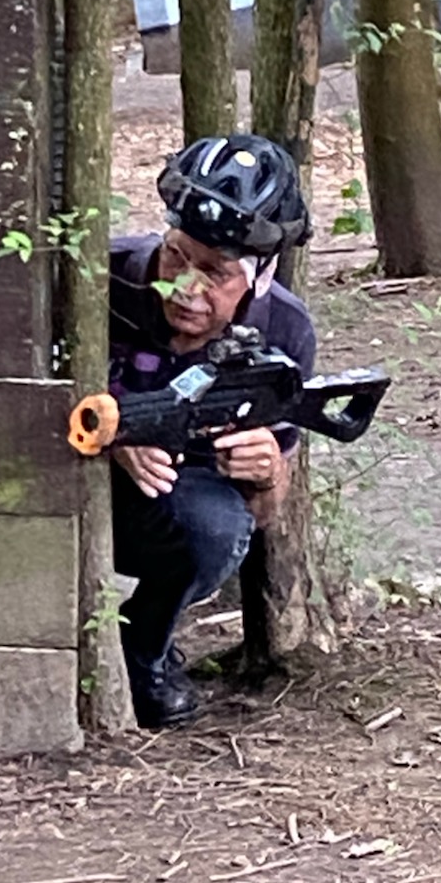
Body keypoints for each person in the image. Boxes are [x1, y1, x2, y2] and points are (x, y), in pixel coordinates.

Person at [109, 133, 316, 729]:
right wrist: (116, 432)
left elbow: (264, 512)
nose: (186, 287)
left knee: (218, 529)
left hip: (180, 496)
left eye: (215, 272)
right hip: (68, 471)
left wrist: (265, 470)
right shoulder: (103, 278)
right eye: (177, 257)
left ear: (259, 276)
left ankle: (142, 649)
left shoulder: (285, 332)